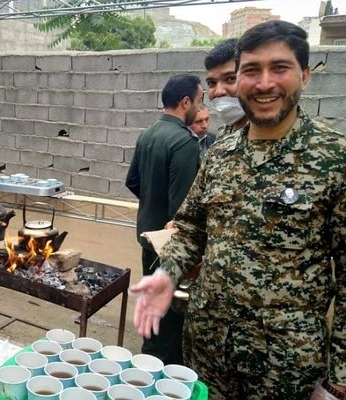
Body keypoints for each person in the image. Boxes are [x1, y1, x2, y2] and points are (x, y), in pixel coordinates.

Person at [130, 20, 346, 399]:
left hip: (283, 366)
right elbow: (191, 229)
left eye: (279, 68)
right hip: (208, 347)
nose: (264, 83)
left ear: (305, 76)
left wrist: (339, 376)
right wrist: (167, 273)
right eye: (251, 71)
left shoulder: (334, 159)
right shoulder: (220, 153)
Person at [125, 74, 203, 365]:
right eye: (199, 100)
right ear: (186, 102)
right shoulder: (184, 142)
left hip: (148, 236)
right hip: (170, 246)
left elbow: (133, 180)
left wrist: (151, 202)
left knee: (154, 303)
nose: (200, 106)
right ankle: (160, 371)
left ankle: (150, 357)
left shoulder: (148, 134)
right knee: (170, 315)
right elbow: (184, 207)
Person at [204, 38, 248, 138]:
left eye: (231, 78)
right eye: (211, 82)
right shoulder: (224, 132)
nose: (218, 91)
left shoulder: (271, 135)